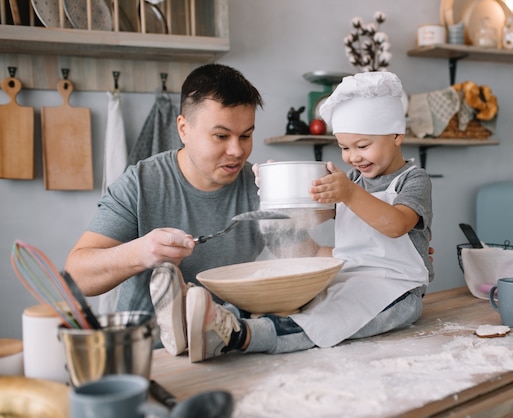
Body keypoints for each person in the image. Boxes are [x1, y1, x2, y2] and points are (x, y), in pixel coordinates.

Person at [151, 70, 434, 362]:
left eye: (362, 146)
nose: (352, 157)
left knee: (327, 321)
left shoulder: (412, 180)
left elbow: (397, 224)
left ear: (397, 135)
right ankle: (199, 321)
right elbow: (313, 216)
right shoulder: (355, 181)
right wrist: (278, 191)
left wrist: (348, 193)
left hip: (396, 291)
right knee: (295, 303)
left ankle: (237, 336)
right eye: (344, 148)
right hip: (347, 277)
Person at [64, 63, 323, 332]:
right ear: (184, 129)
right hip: (150, 351)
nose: (237, 150)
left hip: (232, 342)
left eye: (246, 135)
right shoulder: (141, 184)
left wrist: (332, 206)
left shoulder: (256, 187)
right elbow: (76, 275)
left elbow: (311, 257)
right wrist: (140, 252)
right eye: (221, 136)